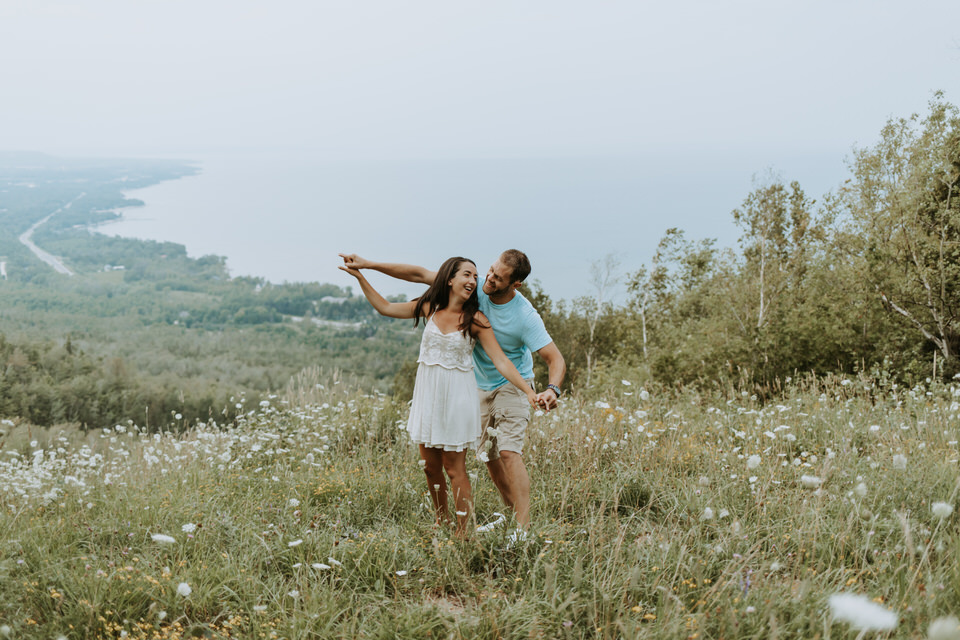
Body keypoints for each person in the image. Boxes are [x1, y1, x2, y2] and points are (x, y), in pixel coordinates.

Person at [339, 250, 566, 534]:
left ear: (514, 284)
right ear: (451, 279)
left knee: (497, 455)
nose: (484, 279)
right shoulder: (436, 304)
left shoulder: (500, 317)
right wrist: (364, 269)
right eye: (484, 272)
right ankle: (450, 520)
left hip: (483, 390)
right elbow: (399, 292)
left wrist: (539, 392)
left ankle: (506, 531)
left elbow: (508, 360)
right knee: (456, 462)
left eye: (494, 277)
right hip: (442, 392)